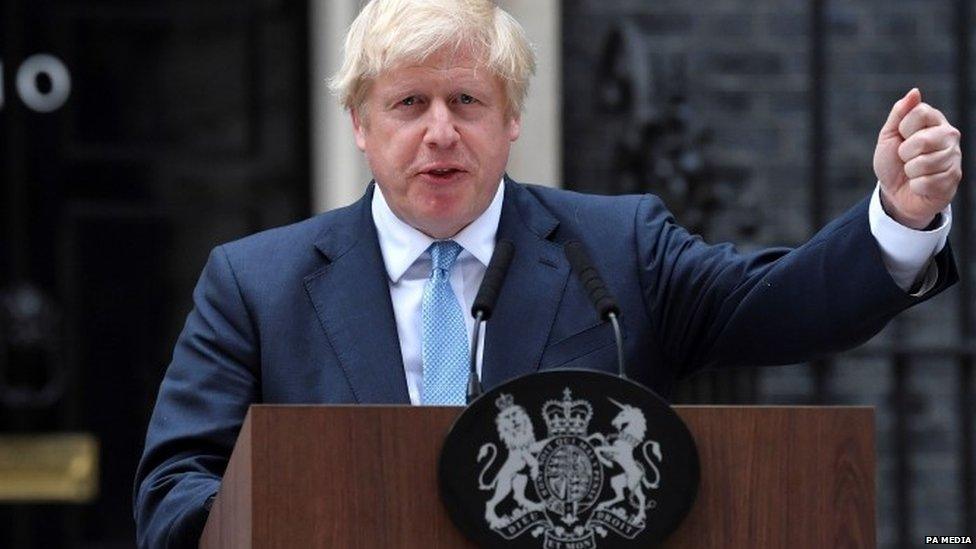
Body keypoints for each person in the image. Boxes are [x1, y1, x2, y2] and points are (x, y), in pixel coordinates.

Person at [133, 0, 961, 546]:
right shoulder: (256, 282)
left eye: (467, 102)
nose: (441, 134)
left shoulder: (617, 247)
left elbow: (782, 310)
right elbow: (173, 488)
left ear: (513, 118)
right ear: (358, 122)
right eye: (409, 104)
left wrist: (898, 215)